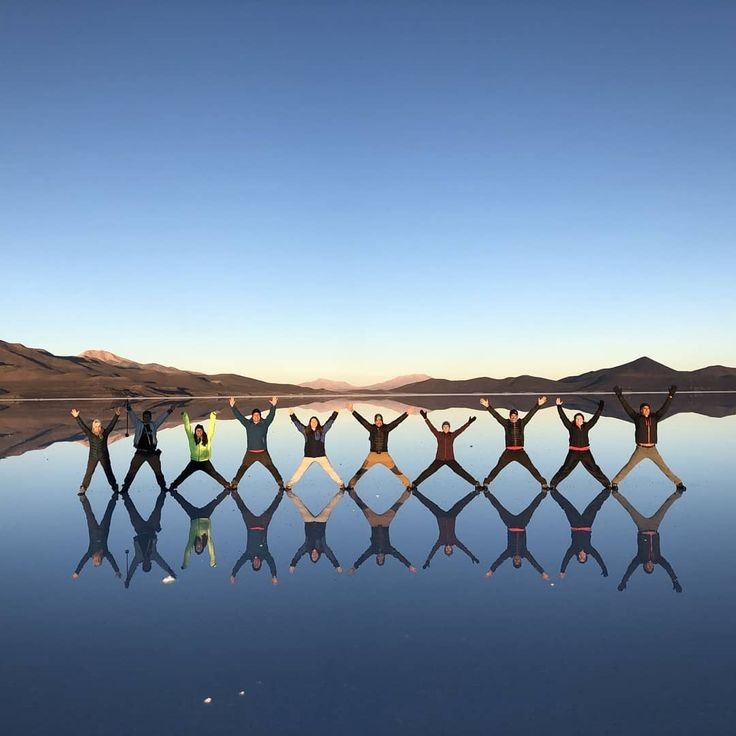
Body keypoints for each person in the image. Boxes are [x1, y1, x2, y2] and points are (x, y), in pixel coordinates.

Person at [611, 385, 685, 492]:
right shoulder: (637, 418)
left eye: (647, 408)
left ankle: (678, 483)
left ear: (650, 410)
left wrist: (670, 396)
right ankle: (614, 482)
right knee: (629, 466)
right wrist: (620, 396)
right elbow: (627, 409)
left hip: (652, 449)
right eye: (644, 409)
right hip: (640, 449)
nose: (646, 410)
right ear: (641, 411)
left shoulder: (655, 418)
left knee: (664, 467)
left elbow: (664, 409)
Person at [614, 489, 683, 592]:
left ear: (644, 567)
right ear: (653, 567)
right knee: (665, 508)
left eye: (648, 568)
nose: (650, 566)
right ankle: (678, 493)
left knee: (630, 509)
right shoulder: (658, 559)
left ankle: (615, 493)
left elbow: (630, 570)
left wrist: (624, 582)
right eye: (652, 568)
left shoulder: (640, 559)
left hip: (642, 527)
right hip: (655, 527)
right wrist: (675, 581)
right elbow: (668, 568)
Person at [480, 397, 548, 489]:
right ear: (510, 416)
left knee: (531, 467)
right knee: (498, 467)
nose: (513, 417)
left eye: (515, 416)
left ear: (517, 416)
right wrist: (488, 406)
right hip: (508, 452)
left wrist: (538, 405)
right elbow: (496, 415)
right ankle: (486, 482)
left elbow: (531, 414)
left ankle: (543, 483)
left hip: (520, 452)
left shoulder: (522, 422)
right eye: (512, 416)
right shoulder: (505, 423)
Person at [347, 487, 415, 574]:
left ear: (376, 558)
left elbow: (363, 558)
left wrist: (354, 568)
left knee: (363, 507)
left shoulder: (373, 550)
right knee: (396, 507)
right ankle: (408, 491)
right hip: (385, 523)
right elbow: (399, 556)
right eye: (381, 560)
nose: (380, 558)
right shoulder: (389, 550)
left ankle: (350, 491)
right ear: (384, 558)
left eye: (378, 559)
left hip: (374, 523)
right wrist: (409, 565)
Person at [484, 490, 549, 579]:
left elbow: (499, 560)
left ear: (513, 561)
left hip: (510, 524)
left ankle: (487, 493)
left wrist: (491, 570)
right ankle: (543, 493)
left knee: (499, 508)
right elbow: (533, 562)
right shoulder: (524, 553)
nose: (517, 560)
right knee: (532, 508)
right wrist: (543, 573)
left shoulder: (509, 552)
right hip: (522, 524)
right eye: (519, 561)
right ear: (521, 560)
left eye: (515, 561)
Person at [549, 399, 610, 490]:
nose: (579, 419)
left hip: (586, 453)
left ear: (583, 419)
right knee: (565, 468)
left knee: (594, 468)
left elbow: (595, 419)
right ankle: (553, 484)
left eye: (580, 418)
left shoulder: (587, 426)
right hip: (573, 453)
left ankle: (607, 484)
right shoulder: (570, 427)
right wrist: (558, 406)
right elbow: (563, 418)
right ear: (574, 420)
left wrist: (600, 408)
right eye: (577, 418)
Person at [346, 404, 411, 489]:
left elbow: (396, 422)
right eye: (377, 420)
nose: (378, 422)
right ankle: (350, 485)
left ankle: (408, 485)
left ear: (382, 421)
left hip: (385, 455)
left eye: (380, 420)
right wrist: (352, 410)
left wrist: (407, 413)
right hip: (372, 455)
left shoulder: (386, 428)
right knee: (361, 471)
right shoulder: (371, 428)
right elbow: (362, 421)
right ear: (375, 421)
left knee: (396, 470)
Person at [413, 487, 480, 568]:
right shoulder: (454, 541)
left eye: (447, 550)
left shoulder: (441, 541)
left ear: (444, 549)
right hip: (451, 517)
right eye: (450, 550)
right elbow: (463, 548)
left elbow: (433, 550)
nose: (448, 549)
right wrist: (472, 556)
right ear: (452, 549)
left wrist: (428, 560)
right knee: (460, 504)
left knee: (430, 505)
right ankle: (475, 492)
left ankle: (415, 492)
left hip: (441, 517)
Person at [412, 410, 481, 489]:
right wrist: (425, 418)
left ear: (449, 428)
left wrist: (468, 423)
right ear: (442, 428)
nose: (445, 428)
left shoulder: (452, 435)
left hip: (450, 459)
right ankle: (415, 484)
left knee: (460, 471)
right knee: (429, 471)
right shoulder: (439, 435)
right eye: (444, 427)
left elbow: (460, 430)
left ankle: (476, 483)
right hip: (439, 459)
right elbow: (432, 428)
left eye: (447, 427)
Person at [122, 490, 177, 588]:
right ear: (150, 564)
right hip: (151, 529)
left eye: (145, 565)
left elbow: (132, 568)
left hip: (139, 530)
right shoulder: (154, 556)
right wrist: (170, 571)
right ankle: (163, 492)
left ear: (143, 565)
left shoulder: (138, 558)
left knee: (132, 511)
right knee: (158, 510)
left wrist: (128, 579)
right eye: (148, 565)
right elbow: (162, 563)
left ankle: (125, 495)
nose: (147, 563)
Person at [551, 487, 610, 578]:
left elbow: (566, 558)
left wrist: (562, 570)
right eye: (584, 558)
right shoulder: (589, 549)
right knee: (594, 507)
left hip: (575, 524)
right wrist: (604, 569)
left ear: (578, 556)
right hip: (586, 524)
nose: (582, 557)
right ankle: (607, 491)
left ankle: (553, 491)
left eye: (580, 558)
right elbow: (598, 558)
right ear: (586, 556)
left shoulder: (573, 549)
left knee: (567, 507)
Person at [230, 488, 284, 585]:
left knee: (244, 510)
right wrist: (274, 575)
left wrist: (233, 574)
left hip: (250, 526)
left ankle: (235, 495)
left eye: (254, 565)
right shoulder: (265, 554)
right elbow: (271, 563)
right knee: (271, 511)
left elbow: (240, 563)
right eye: (258, 565)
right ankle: (280, 494)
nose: (256, 563)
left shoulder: (248, 554)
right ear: (260, 563)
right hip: (262, 526)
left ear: (252, 563)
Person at [229, 397, 284, 489]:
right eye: (255, 415)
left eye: (258, 415)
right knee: (242, 468)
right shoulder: (247, 424)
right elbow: (239, 416)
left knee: (271, 467)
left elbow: (271, 415)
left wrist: (273, 406)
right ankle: (234, 483)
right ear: (252, 416)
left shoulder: (265, 424)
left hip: (263, 453)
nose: (256, 417)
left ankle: (280, 483)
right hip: (250, 453)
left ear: (260, 416)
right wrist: (232, 406)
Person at [121, 402, 175, 493]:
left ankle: (163, 487)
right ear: (143, 418)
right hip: (140, 452)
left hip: (151, 453)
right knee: (132, 470)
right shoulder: (138, 424)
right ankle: (125, 488)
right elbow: (132, 416)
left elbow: (161, 418)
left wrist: (170, 410)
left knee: (158, 470)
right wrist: (129, 408)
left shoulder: (153, 425)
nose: (146, 418)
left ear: (150, 418)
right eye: (145, 417)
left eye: (147, 417)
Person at [168, 411, 229, 491]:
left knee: (214, 474)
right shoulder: (191, 438)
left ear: (203, 431)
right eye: (197, 430)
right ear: (195, 432)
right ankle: (173, 486)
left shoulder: (207, 438)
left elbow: (211, 428)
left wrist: (213, 416)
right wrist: (185, 416)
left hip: (205, 462)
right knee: (184, 474)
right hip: (194, 462)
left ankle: (226, 485)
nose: (199, 432)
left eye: (200, 430)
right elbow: (187, 428)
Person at [170, 488, 230, 569]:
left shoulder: (192, 539)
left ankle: (173, 492)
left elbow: (188, 551)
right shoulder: (207, 539)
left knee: (184, 504)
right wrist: (213, 562)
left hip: (194, 516)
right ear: (202, 546)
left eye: (196, 548)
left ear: (195, 546)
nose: (198, 547)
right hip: (205, 515)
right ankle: (226, 491)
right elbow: (211, 550)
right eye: (200, 548)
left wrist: (185, 564)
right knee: (215, 503)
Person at [287, 488, 344, 573]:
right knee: (329, 508)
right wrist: (337, 566)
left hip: (308, 521)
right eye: (316, 557)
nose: (314, 555)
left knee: (301, 507)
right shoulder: (323, 548)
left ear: (310, 556)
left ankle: (289, 492)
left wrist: (293, 564)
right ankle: (341, 492)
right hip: (321, 522)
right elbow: (330, 555)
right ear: (318, 556)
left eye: (312, 557)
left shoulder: (306, 548)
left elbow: (298, 553)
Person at [285, 411, 344, 490]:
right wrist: (292, 414)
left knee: (330, 470)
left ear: (318, 422)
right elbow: (297, 424)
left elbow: (329, 422)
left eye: (315, 421)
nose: (313, 422)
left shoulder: (322, 430)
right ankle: (289, 485)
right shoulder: (305, 430)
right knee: (299, 471)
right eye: (312, 421)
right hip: (308, 457)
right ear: (309, 423)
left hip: (321, 456)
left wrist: (336, 412)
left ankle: (341, 484)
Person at [71, 406, 122, 494]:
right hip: (93, 457)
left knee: (108, 472)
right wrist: (76, 417)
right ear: (93, 427)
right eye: (96, 426)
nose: (97, 428)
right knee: (89, 472)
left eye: (99, 426)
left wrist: (116, 415)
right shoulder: (90, 434)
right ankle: (83, 488)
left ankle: (115, 487)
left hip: (104, 456)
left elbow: (111, 425)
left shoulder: (105, 433)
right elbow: (83, 427)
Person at [72, 493, 121, 579]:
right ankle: (114, 497)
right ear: (101, 559)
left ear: (93, 559)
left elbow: (83, 562)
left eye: (95, 561)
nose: (97, 559)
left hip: (93, 529)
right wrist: (117, 570)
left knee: (89, 514)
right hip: (104, 529)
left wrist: (77, 572)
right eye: (99, 560)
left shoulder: (90, 552)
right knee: (108, 513)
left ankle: (83, 499)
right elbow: (112, 561)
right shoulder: (105, 553)